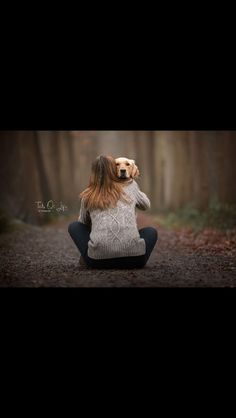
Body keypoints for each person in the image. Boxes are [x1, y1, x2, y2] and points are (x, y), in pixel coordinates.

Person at [68, 155, 158, 269]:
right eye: (117, 165)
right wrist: (132, 181)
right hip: (136, 261)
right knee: (151, 231)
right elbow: (146, 205)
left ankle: (91, 255)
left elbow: (83, 224)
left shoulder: (88, 194)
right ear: (113, 170)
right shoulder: (130, 186)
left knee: (75, 226)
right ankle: (131, 254)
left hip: (97, 263)